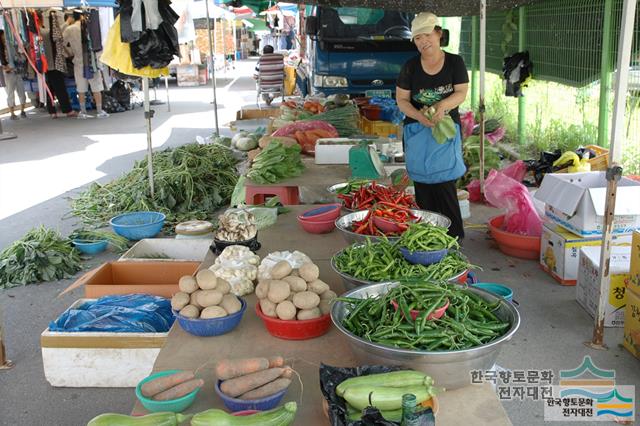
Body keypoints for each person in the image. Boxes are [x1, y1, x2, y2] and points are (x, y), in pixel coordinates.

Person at [396, 12, 469, 240]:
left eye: (427, 35)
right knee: (424, 187)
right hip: (417, 131)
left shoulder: (454, 62)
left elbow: (461, 93)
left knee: (445, 184)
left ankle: (453, 240)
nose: (423, 42)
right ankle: (428, 240)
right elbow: (402, 100)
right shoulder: (410, 66)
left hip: (445, 131)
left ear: (439, 33)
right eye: (417, 38)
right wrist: (419, 116)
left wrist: (442, 106)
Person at [63, 11, 108, 119]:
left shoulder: (70, 29)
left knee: (81, 88)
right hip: (92, 61)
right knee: (96, 86)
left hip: (78, 61)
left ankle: (82, 112)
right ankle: (99, 111)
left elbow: (61, 43)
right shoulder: (90, 27)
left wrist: (69, 53)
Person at [40, 9, 77, 119]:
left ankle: (52, 112)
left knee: (50, 88)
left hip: (47, 63)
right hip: (52, 63)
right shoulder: (45, 32)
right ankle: (68, 111)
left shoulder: (41, 30)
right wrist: (66, 23)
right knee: (59, 87)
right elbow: (55, 34)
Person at [0, 30, 27, 120]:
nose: (4, 37)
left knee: (21, 91)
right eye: (3, 35)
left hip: (16, 70)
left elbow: (16, 55)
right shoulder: (3, 46)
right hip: (8, 72)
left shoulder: (9, 44)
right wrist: (5, 67)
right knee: (10, 92)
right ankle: (12, 113)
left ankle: (22, 111)